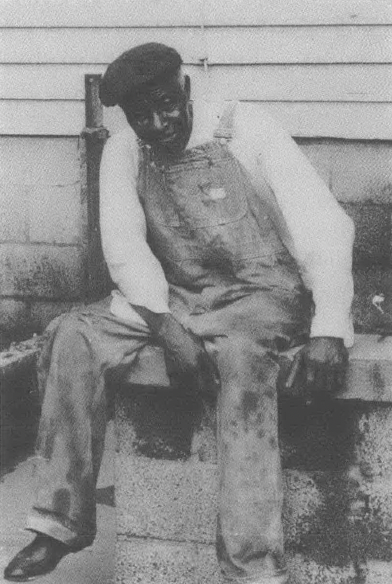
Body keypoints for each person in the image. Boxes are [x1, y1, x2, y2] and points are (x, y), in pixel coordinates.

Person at [4, 43, 354, 583]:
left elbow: (323, 226)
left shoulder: (245, 129)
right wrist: (167, 327)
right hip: (175, 296)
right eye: (141, 116)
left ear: (186, 91)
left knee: (242, 364)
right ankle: (59, 524)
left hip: (257, 295)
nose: (158, 123)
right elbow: (124, 247)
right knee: (71, 334)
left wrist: (330, 326)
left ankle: (251, 567)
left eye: (167, 105)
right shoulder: (124, 151)